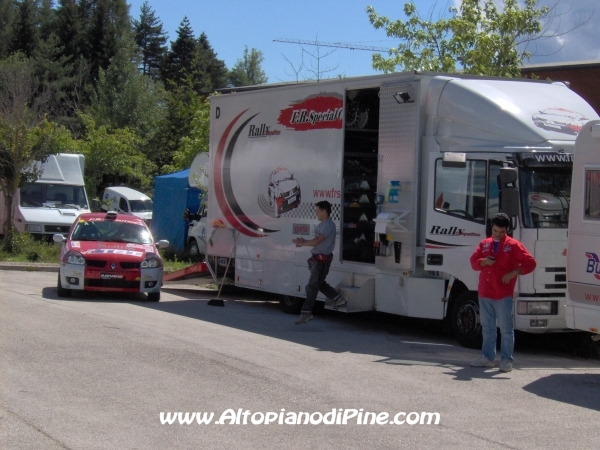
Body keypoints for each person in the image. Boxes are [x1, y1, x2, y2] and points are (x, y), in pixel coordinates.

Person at [469, 213, 536, 372]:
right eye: (495, 231)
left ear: (507, 230)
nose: (497, 234)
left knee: (506, 329)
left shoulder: (514, 245)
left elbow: (531, 263)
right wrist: (484, 262)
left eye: (501, 232)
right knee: (487, 328)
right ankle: (487, 357)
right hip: (485, 292)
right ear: (491, 228)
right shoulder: (485, 244)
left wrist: (514, 272)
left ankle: (506, 360)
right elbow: (473, 262)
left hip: (503, 293)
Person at [292, 200, 346, 325]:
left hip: (321, 261)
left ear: (324, 211)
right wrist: (304, 241)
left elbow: (317, 241)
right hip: (319, 260)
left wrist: (303, 243)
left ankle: (306, 313)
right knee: (319, 283)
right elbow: (317, 241)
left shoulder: (327, 225)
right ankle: (337, 298)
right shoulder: (324, 224)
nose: (316, 214)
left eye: (317, 211)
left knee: (311, 286)